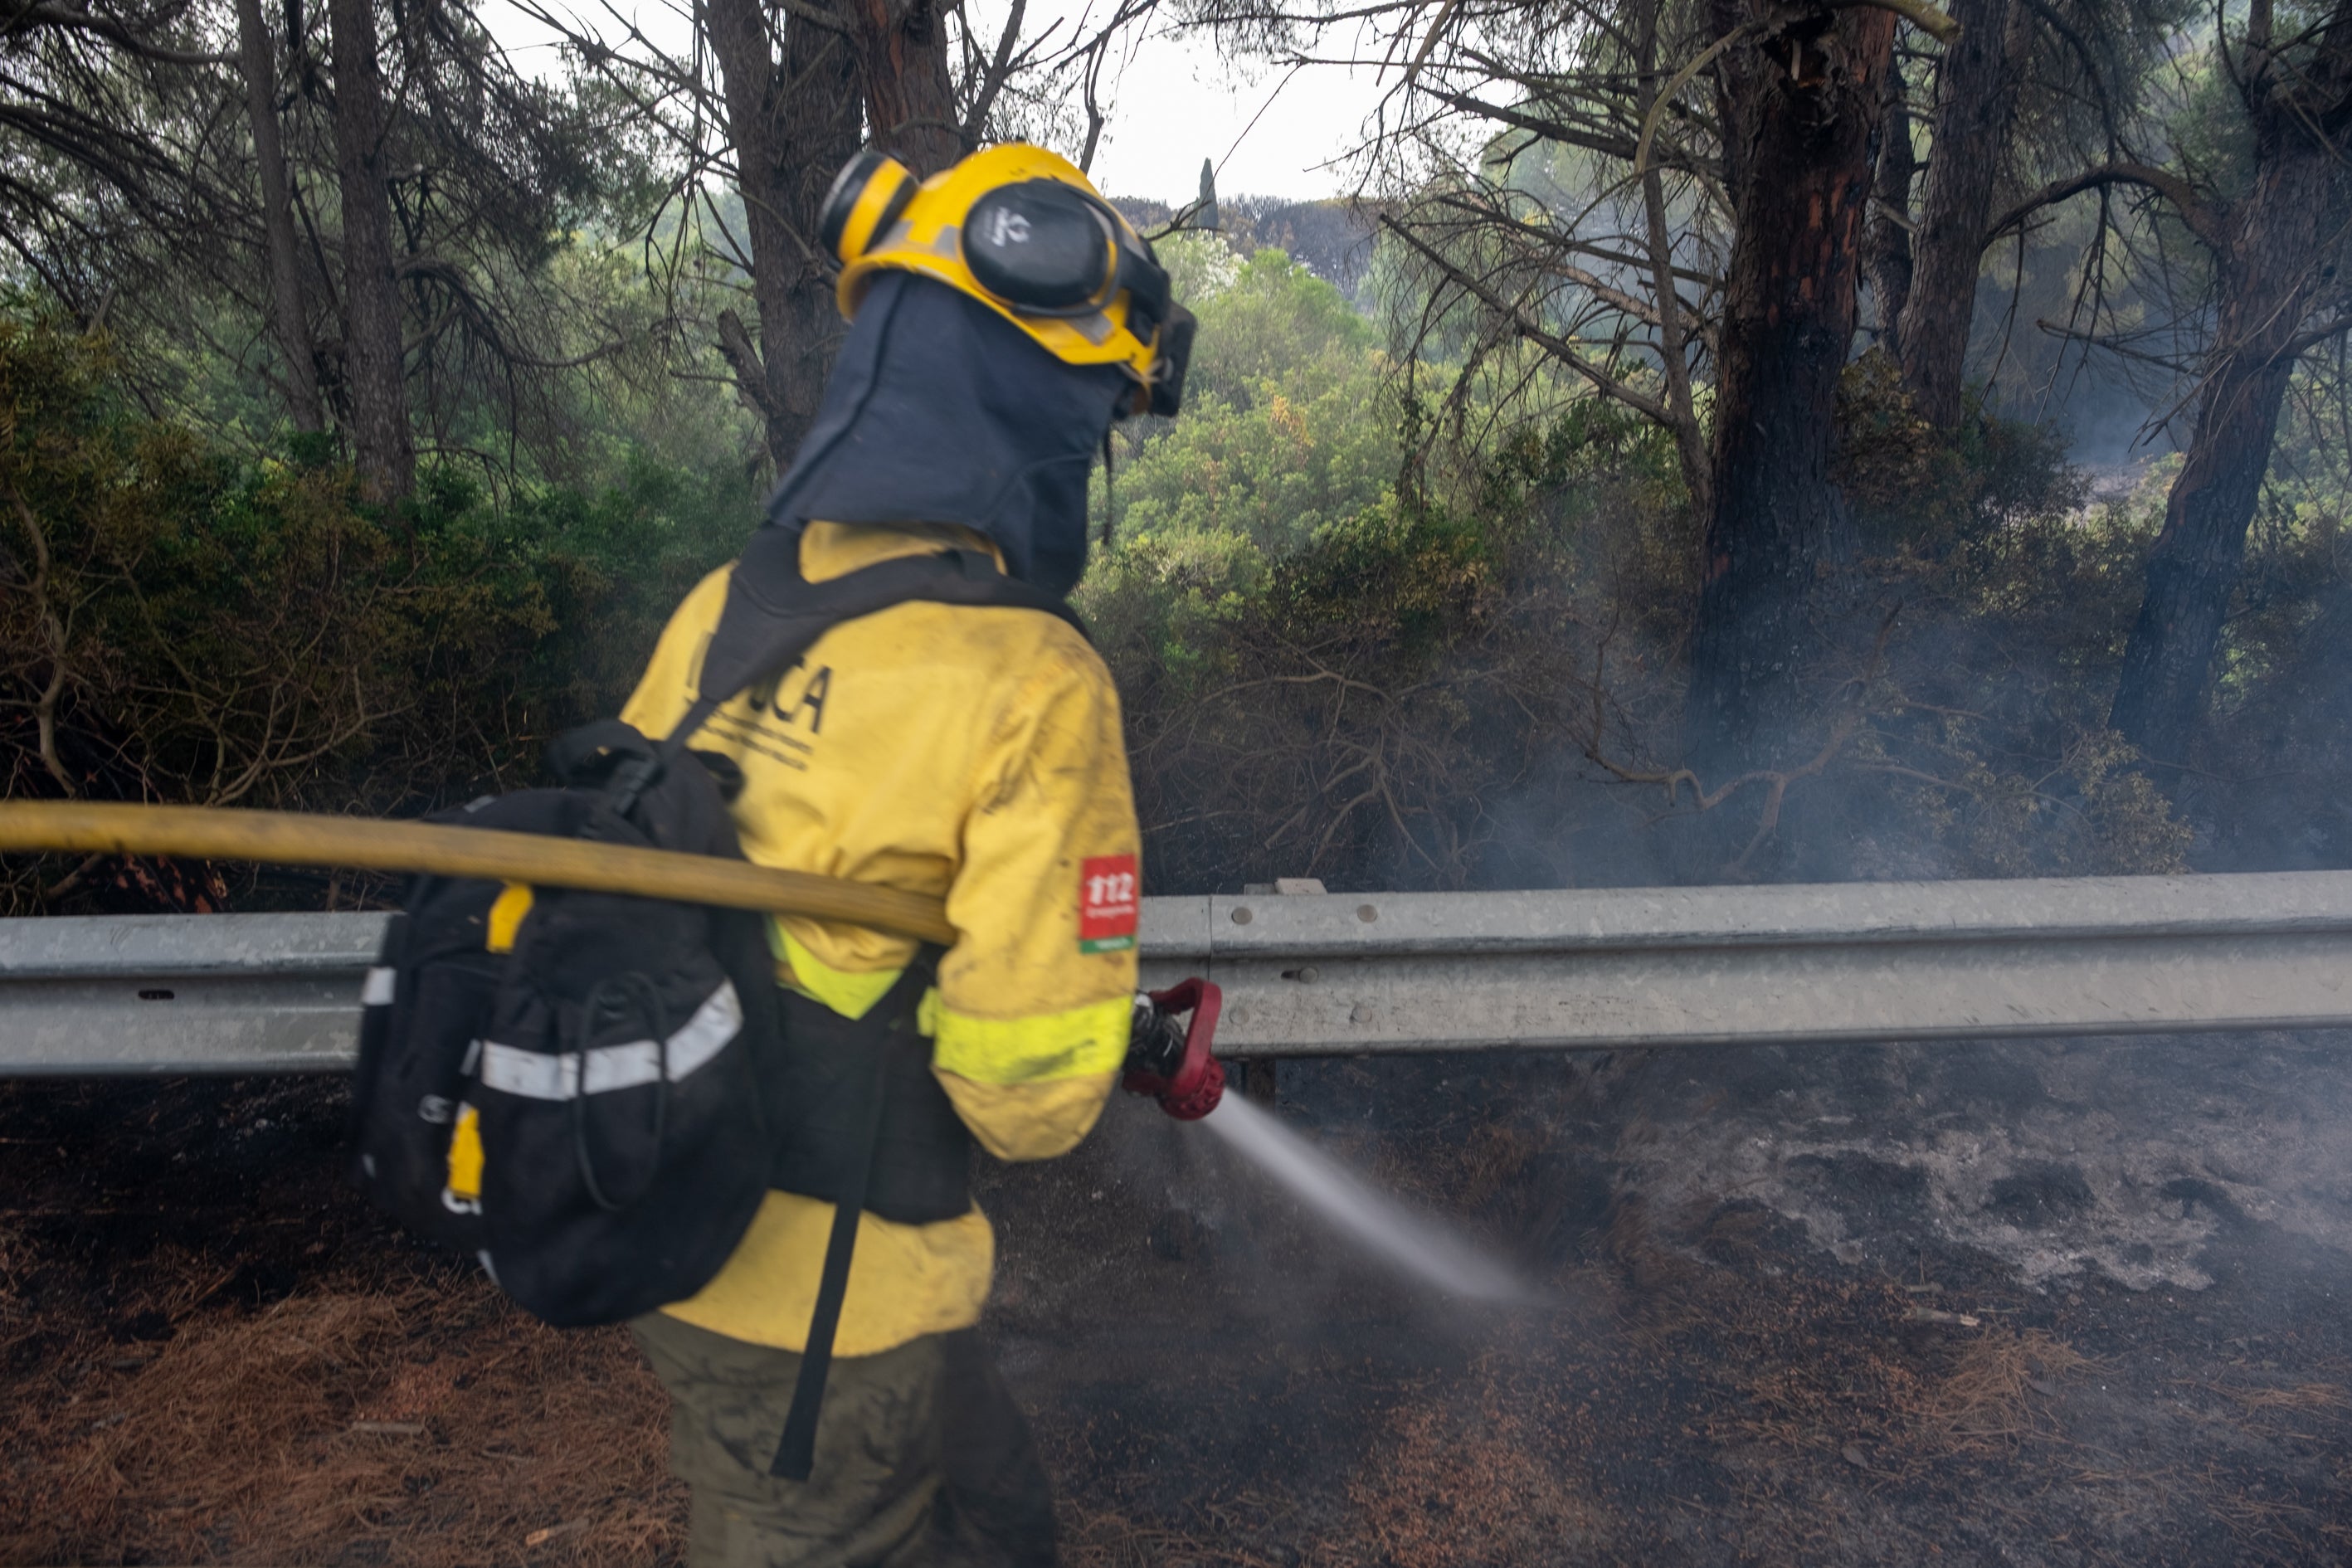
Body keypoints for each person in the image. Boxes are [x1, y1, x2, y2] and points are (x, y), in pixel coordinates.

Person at [615, 142, 1192, 1567]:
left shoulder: (722, 606)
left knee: (998, 1514)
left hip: (676, 1232)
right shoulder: (1031, 681)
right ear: (1041, 410)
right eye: (1098, 419)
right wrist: (1081, 1021)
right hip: (831, 1314)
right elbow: (1021, 1098)